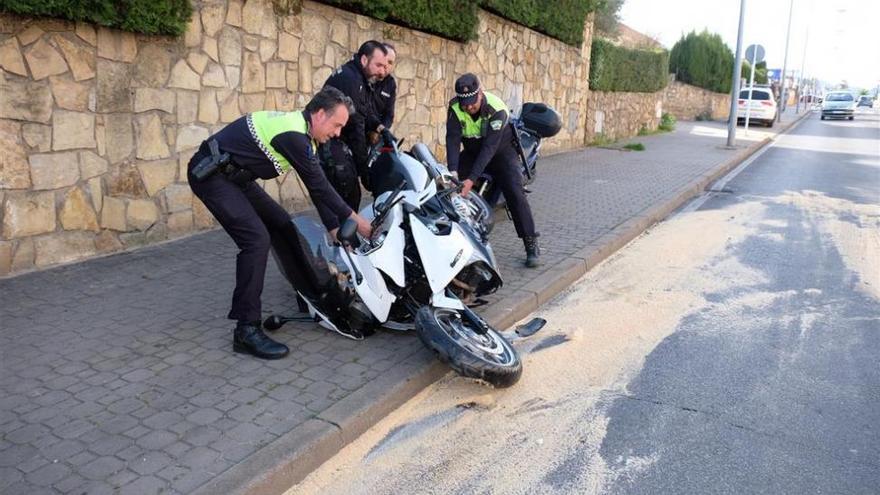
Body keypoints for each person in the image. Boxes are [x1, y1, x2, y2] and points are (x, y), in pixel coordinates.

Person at [187, 87, 373, 360]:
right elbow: (319, 186)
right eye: (336, 125)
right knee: (256, 240)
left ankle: (313, 293)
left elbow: (316, 187)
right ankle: (246, 330)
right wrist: (357, 221)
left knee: (284, 225)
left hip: (236, 177)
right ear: (320, 115)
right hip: (211, 175)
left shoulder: (306, 137)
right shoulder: (293, 134)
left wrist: (335, 228)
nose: (337, 133)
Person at [445, 73, 541, 268]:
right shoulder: (455, 108)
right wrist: (453, 174)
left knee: (515, 190)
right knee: (447, 188)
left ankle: (530, 242)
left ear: (480, 93)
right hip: (472, 151)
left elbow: (489, 149)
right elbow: (452, 141)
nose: (469, 107)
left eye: (472, 102)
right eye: (465, 103)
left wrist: (471, 179)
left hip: (500, 151)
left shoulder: (496, 109)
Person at [321, 40, 390, 210]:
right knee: (348, 197)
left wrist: (381, 128)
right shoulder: (352, 80)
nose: (382, 71)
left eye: (385, 66)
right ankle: (341, 235)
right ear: (364, 60)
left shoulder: (358, 76)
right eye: (378, 65)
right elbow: (356, 127)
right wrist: (364, 168)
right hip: (330, 141)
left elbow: (366, 110)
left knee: (349, 198)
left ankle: (342, 233)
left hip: (337, 141)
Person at [369, 42, 397, 140]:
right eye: (385, 60)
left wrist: (380, 131)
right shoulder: (368, 76)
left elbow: (389, 114)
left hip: (377, 134)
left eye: (390, 62)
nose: (386, 65)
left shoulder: (390, 83)